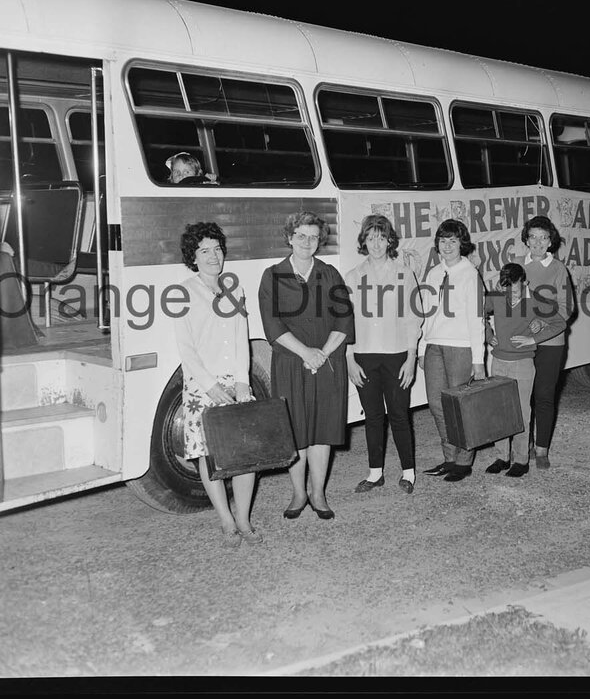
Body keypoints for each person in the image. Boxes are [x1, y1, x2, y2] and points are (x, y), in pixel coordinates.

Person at [258, 212, 355, 519]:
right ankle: (299, 493)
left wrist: (322, 354)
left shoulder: (330, 274)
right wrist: (305, 353)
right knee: (296, 430)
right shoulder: (272, 275)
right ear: (289, 237)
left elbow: (344, 319)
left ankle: (318, 493)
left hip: (327, 364)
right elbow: (271, 326)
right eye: (301, 235)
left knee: (322, 430)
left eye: (313, 236)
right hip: (291, 364)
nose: (307, 242)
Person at [173, 221, 261, 549]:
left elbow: (241, 340)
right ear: (193, 257)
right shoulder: (182, 292)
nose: (213, 256)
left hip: (235, 383)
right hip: (201, 386)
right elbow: (186, 349)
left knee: (246, 454)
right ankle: (225, 520)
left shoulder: (234, 290)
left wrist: (242, 383)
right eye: (205, 251)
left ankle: (243, 519)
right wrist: (210, 386)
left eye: (217, 249)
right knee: (208, 455)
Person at [345, 214, 423, 495]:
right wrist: (349, 359)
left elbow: (414, 317)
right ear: (363, 241)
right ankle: (375, 473)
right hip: (364, 355)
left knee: (399, 414)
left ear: (389, 241)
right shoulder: (353, 277)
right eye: (370, 237)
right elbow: (346, 321)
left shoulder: (404, 273)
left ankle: (408, 472)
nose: (376, 243)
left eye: (381, 237)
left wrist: (411, 358)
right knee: (373, 416)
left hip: (397, 354)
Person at [418, 219, 486, 483]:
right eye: (443, 241)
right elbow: (425, 313)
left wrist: (478, 361)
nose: (447, 246)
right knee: (437, 404)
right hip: (434, 345)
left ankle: (464, 461)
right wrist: (423, 348)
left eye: (453, 241)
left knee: (460, 406)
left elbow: (477, 319)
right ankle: (449, 458)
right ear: (437, 244)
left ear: (462, 244)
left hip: (461, 347)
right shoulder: (433, 273)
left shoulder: (470, 274)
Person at [483, 262, 566, 477]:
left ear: (525, 283)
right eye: (506, 288)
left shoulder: (536, 300)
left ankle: (521, 460)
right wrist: (487, 332)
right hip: (499, 361)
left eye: (516, 288)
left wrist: (533, 338)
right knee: (498, 413)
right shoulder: (497, 297)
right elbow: (475, 314)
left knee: (521, 412)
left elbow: (559, 323)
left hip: (522, 364)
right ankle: (502, 457)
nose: (511, 294)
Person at [517, 215, 573, 469]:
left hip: (551, 341)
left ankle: (542, 449)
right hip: (521, 342)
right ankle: (523, 446)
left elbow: (566, 309)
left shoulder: (559, 269)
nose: (538, 242)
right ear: (526, 240)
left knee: (545, 395)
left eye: (543, 237)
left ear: (551, 241)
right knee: (522, 396)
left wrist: (541, 321)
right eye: (533, 237)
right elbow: (509, 303)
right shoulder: (516, 266)